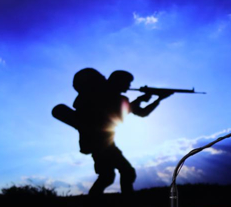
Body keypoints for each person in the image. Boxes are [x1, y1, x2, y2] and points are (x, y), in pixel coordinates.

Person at [70, 68, 171, 196]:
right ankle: (126, 201)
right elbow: (138, 112)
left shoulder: (109, 97)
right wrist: (156, 99)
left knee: (107, 176)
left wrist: (146, 99)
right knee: (124, 172)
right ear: (119, 82)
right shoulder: (108, 97)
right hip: (101, 143)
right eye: (127, 82)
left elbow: (135, 111)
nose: (129, 86)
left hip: (101, 143)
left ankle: (94, 203)